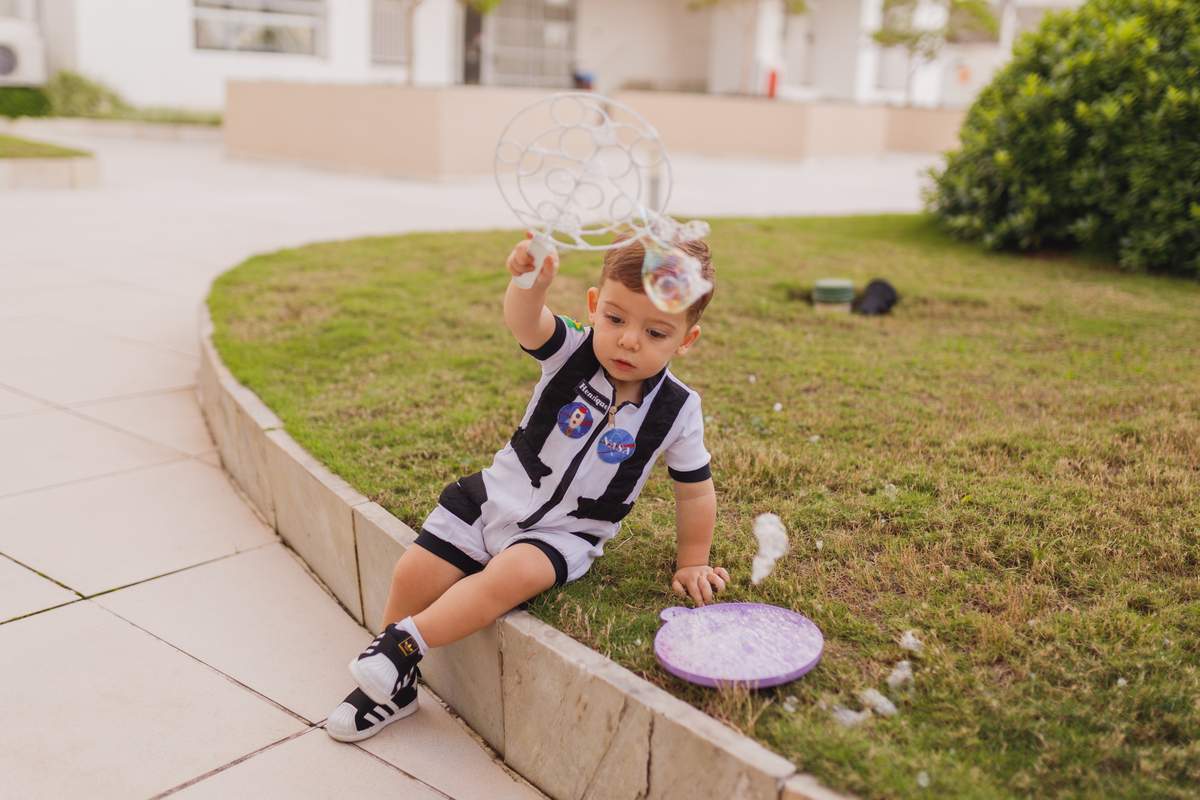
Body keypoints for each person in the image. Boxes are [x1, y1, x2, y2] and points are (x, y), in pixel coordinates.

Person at [326, 233, 730, 742]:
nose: (629, 340)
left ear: (685, 340)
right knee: (414, 571)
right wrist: (528, 284)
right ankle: (394, 687)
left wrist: (692, 560)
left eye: (655, 332)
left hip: (567, 532)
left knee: (510, 575)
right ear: (593, 307)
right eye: (616, 319)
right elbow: (525, 320)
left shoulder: (678, 408)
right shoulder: (572, 351)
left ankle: (402, 647)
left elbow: (693, 490)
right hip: (496, 498)